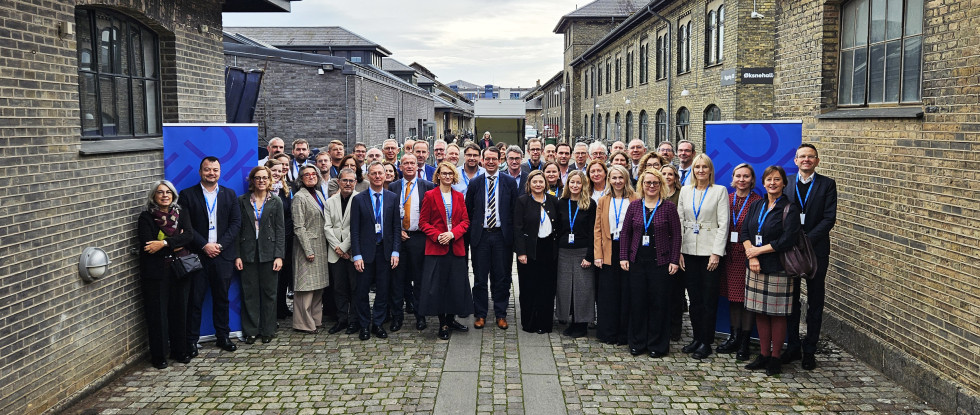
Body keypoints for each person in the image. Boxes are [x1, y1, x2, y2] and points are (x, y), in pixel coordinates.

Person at [740, 165, 801, 376]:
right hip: (755, 266)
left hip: (778, 268)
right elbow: (745, 231)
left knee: (777, 314)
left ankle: (776, 357)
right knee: (760, 312)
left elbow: (787, 239)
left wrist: (759, 250)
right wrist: (753, 255)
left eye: (776, 180)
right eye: (769, 180)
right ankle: (764, 354)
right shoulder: (757, 205)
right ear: (763, 183)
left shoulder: (790, 208)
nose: (772, 183)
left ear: (784, 183)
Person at [178, 157, 241, 355]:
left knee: (222, 298)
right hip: (198, 255)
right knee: (194, 300)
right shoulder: (187, 195)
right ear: (200, 172)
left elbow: (235, 224)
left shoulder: (230, 195)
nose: (211, 173)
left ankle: (223, 336)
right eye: (207, 170)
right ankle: (191, 340)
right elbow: (185, 226)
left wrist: (219, 246)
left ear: (220, 172)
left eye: (215, 170)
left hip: (223, 256)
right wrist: (204, 245)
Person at [784, 143, 837, 370]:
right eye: (802, 156)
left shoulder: (827, 184)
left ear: (817, 161)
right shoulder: (786, 182)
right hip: (791, 251)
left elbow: (829, 219)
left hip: (816, 250)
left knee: (815, 301)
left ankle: (810, 349)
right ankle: (793, 345)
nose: (806, 160)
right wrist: (792, 240)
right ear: (795, 160)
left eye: (811, 157)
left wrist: (806, 240)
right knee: (791, 300)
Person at [619, 169, 681, 357]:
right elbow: (625, 233)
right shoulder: (635, 206)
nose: (651, 186)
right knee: (638, 303)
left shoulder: (668, 207)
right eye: (648, 183)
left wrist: (674, 259)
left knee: (658, 303)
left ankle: (657, 345)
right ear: (642, 185)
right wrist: (623, 256)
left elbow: (677, 235)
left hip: (660, 263)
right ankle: (638, 342)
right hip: (637, 262)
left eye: (655, 183)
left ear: (661, 185)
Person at [676, 153, 730, 360]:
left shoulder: (719, 191)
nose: (700, 171)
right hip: (689, 250)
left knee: (708, 299)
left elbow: (723, 224)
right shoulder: (686, 191)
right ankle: (697, 338)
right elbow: (680, 221)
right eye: (697, 167)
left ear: (710, 170)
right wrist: (679, 250)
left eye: (704, 167)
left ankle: (706, 341)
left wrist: (716, 252)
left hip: (710, 252)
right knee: (695, 299)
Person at [137, 180, 194, 369]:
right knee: (157, 315)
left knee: (180, 311)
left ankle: (180, 351)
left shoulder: (181, 213)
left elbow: (189, 236)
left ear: (173, 195)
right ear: (154, 196)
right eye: (160, 192)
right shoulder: (146, 217)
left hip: (179, 270)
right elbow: (147, 245)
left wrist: (162, 244)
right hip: (156, 273)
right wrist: (176, 243)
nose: (164, 195)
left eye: (168, 192)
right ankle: (159, 355)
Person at [418, 162, 473, 340]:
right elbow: (423, 222)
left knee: (455, 286)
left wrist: (452, 234)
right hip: (437, 248)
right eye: (444, 173)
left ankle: (452, 319)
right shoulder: (430, 195)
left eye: (451, 173)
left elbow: (465, 221)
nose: (448, 176)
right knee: (439, 287)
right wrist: (438, 235)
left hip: (455, 246)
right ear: (438, 176)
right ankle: (443, 323)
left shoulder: (458, 196)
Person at [466, 146, 518, 330]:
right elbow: (469, 210)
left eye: (494, 159)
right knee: (480, 278)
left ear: (499, 160)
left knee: (502, 277)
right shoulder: (475, 183)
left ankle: (501, 314)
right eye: (487, 158)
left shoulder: (509, 183)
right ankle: (480, 314)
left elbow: (514, 211)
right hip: (481, 237)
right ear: (482, 160)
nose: (490, 162)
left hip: (501, 237)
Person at [350, 162, 402, 340]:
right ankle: (364, 325)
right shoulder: (358, 199)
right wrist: (356, 255)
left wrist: (396, 252)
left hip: (385, 252)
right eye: (374, 173)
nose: (378, 176)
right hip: (365, 253)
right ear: (367, 176)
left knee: (383, 290)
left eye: (381, 173)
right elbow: (354, 230)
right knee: (362, 291)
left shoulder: (392, 198)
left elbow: (396, 227)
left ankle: (378, 323)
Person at [234, 166, 285, 344]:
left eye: (265, 178)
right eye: (258, 178)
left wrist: (279, 256)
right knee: (250, 293)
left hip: (269, 253)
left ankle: (268, 330)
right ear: (252, 180)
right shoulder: (242, 201)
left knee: (269, 293)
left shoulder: (276, 201)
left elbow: (280, 230)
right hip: (248, 252)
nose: (261, 181)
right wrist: (237, 255)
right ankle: (251, 330)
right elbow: (237, 230)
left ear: (270, 180)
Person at [717, 163, 762, 360]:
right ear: (733, 179)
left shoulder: (758, 202)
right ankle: (733, 337)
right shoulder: (725, 199)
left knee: (747, 300)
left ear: (752, 180)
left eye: (746, 176)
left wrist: (754, 255)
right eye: (738, 176)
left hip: (748, 255)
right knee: (733, 299)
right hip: (728, 255)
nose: (742, 180)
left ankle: (745, 341)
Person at [389, 154, 436, 331]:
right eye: (405, 163)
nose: (409, 166)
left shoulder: (428, 186)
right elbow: (389, 215)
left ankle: (420, 315)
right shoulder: (392, 187)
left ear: (418, 166)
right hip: (398, 238)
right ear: (400, 167)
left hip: (419, 238)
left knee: (420, 279)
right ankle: (397, 317)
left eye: (412, 163)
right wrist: (397, 230)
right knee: (397, 280)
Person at [593, 165, 637, 345]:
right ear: (609, 180)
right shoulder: (604, 200)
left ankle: (625, 333)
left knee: (627, 292)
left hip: (629, 248)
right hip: (609, 248)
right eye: (614, 178)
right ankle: (608, 332)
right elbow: (597, 229)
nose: (617, 181)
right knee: (609, 294)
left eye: (621, 177)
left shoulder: (635, 199)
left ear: (626, 179)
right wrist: (598, 254)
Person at [513, 170, 560, 334]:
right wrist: (521, 252)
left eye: (541, 182)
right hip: (530, 249)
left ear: (545, 184)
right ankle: (529, 323)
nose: (538, 185)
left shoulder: (553, 200)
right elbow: (517, 228)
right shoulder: (522, 201)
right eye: (535, 182)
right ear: (529, 184)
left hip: (549, 249)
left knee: (547, 288)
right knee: (529, 287)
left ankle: (545, 323)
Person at [555, 170, 596, 338]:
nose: (575, 185)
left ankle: (582, 324)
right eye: (572, 182)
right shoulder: (561, 203)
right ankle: (569, 320)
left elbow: (594, 232)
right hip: (564, 251)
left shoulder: (590, 204)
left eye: (578, 182)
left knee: (583, 289)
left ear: (583, 185)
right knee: (565, 289)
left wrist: (590, 256)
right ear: (567, 184)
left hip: (582, 251)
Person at [291, 165, 330, 334]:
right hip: (307, 247)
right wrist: (308, 250)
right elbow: (299, 227)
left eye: (314, 174)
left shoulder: (319, 194)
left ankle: (315, 319)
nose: (311, 176)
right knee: (305, 287)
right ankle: (302, 323)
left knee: (317, 286)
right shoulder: (300, 197)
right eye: (307, 174)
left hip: (321, 245)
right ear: (301, 178)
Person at [323, 168, 360, 335]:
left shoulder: (360, 199)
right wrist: (337, 248)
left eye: (351, 181)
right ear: (338, 182)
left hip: (353, 251)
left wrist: (345, 247)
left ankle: (354, 320)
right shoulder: (330, 201)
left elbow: (358, 228)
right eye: (345, 180)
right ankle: (341, 319)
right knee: (338, 288)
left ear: (355, 182)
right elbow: (327, 227)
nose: (348, 183)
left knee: (354, 288)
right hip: (335, 252)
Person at [265, 156, 296, 319]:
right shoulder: (263, 190)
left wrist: (287, 235)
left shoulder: (286, 190)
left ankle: (282, 306)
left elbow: (289, 215)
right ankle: (272, 311)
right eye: (273, 170)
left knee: (284, 275)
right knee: (271, 276)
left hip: (285, 238)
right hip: (267, 240)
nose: (277, 173)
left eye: (280, 171)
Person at [660, 163, 684, 339]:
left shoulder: (681, 195)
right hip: (658, 248)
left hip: (675, 247)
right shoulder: (655, 195)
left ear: (676, 177)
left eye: (671, 174)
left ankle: (675, 328)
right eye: (664, 173)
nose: (667, 177)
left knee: (676, 291)